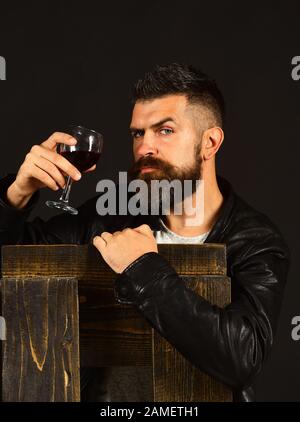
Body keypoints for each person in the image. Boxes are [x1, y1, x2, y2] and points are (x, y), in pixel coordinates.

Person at [0, 63, 290, 402]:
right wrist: (16, 195)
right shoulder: (109, 215)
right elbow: (16, 260)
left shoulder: (256, 240)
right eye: (138, 133)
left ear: (209, 142)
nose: (145, 147)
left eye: (164, 130)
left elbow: (244, 357)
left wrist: (142, 268)